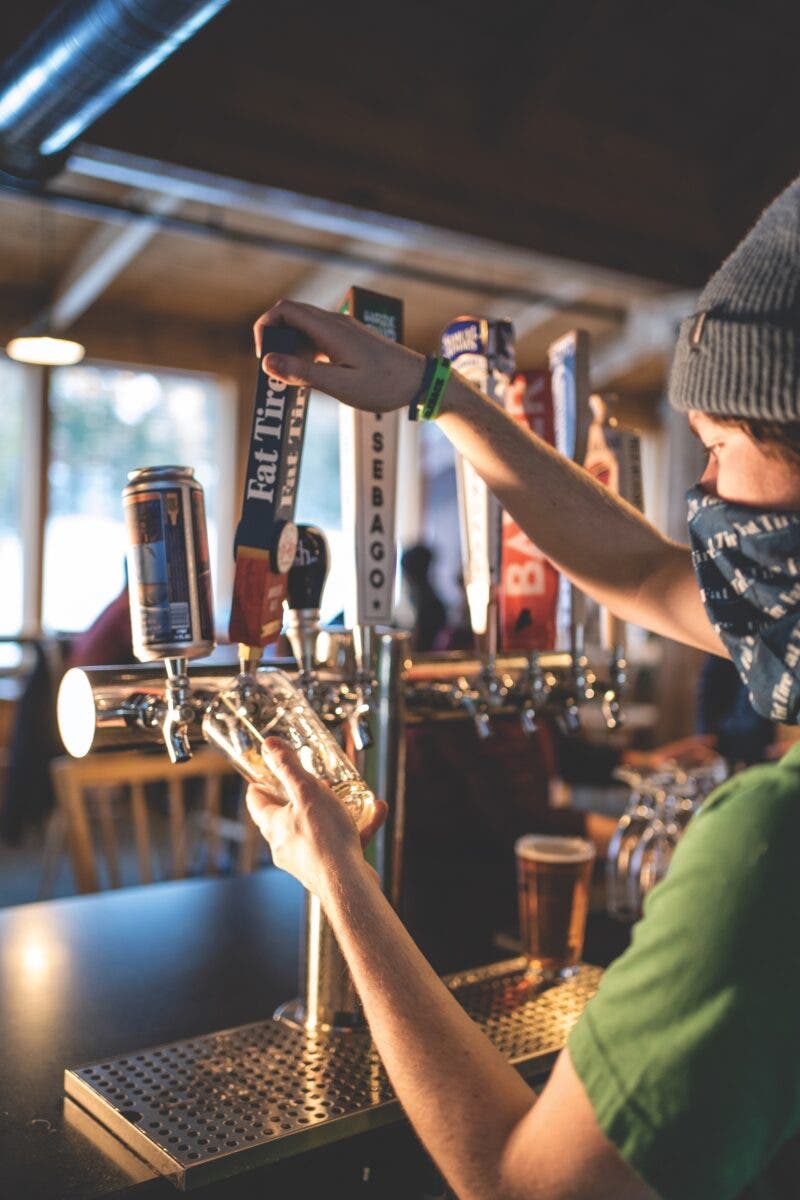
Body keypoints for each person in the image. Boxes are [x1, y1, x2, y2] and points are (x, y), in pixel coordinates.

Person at [245, 177, 800, 1199]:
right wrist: (435, 394)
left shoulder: (769, 844)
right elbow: (640, 574)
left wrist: (338, 880)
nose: (704, 498)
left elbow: (518, 1186)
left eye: (719, 448)